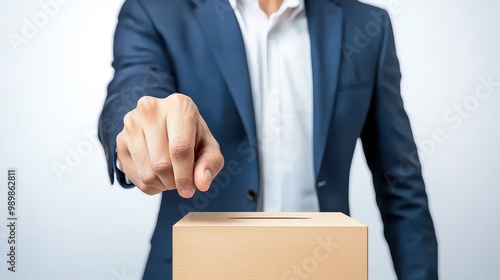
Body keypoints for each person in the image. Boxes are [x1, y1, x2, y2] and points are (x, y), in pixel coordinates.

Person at [98, 0, 438, 279]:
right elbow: (134, 92)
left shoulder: (368, 24)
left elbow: (400, 182)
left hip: (324, 268)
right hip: (195, 268)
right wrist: (143, 129)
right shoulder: (154, 10)